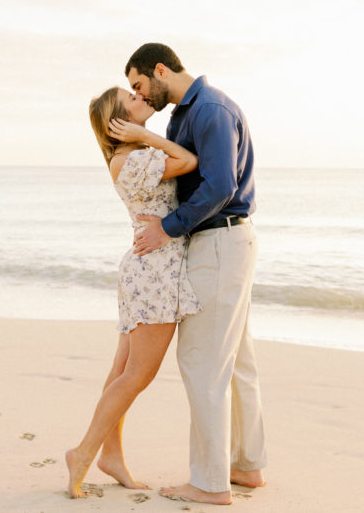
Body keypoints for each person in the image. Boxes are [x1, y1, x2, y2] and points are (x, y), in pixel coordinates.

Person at [125, 43, 267, 505]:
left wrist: (167, 228)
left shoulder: (210, 109)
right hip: (223, 242)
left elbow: (221, 185)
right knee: (236, 362)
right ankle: (247, 467)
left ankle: (210, 483)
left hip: (220, 242)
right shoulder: (182, 116)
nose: (141, 95)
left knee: (202, 363)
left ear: (161, 69)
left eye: (140, 84)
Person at [65, 86, 202, 499]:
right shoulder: (133, 159)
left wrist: (144, 137)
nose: (143, 99)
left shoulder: (133, 158)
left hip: (146, 269)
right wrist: (145, 136)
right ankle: (85, 452)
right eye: (133, 100)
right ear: (118, 124)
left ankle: (111, 456)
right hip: (154, 272)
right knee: (138, 374)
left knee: (123, 372)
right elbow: (189, 161)